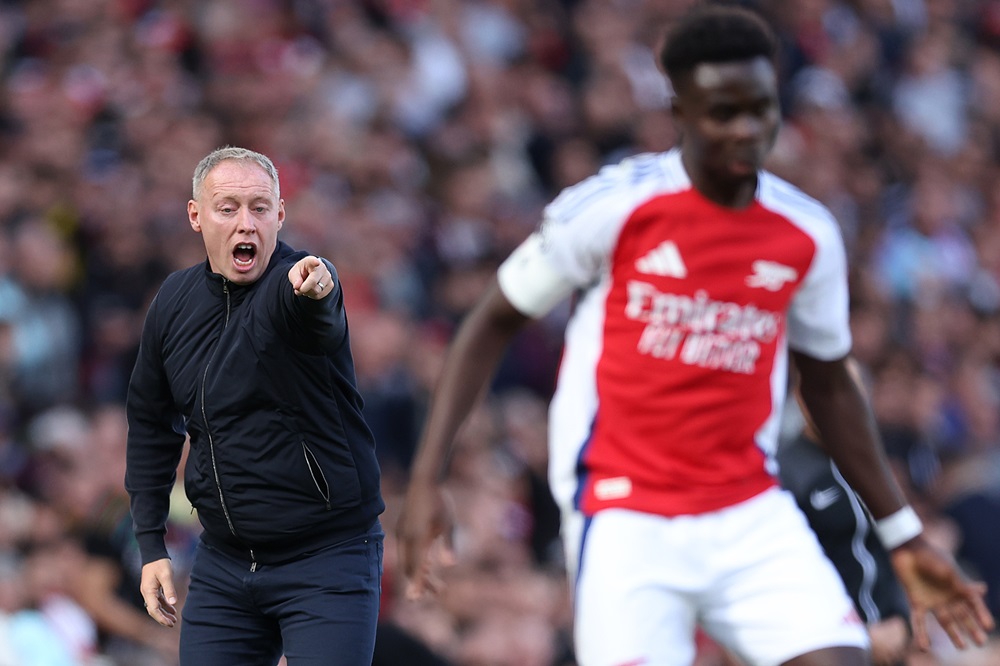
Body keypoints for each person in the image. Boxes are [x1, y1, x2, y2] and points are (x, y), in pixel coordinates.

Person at [396, 4, 994, 666]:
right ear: (681, 114)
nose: (746, 129)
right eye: (722, 111)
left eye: (760, 108)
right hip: (624, 510)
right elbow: (493, 319)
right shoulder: (617, 206)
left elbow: (828, 383)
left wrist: (904, 534)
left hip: (748, 505)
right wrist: (428, 477)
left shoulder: (807, 234)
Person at [124, 146, 385, 666]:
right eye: (228, 208)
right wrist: (151, 543)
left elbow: (319, 314)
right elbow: (152, 422)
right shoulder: (173, 301)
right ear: (196, 216)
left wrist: (318, 289)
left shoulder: (295, 286)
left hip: (327, 560)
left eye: (260, 208)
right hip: (224, 564)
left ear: (280, 215)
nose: (247, 223)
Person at [777, 368, 911, 666]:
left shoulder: (870, 463)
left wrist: (902, 621)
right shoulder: (786, 472)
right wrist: (858, 637)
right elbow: (789, 576)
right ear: (802, 398)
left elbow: (893, 548)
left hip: (891, 646)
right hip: (830, 650)